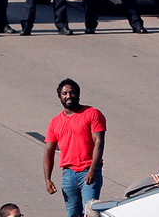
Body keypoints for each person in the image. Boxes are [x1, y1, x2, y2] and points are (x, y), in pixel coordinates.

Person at [43, 78, 106, 217]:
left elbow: (99, 143)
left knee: (90, 213)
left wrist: (93, 169)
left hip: (88, 171)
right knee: (72, 214)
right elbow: (49, 151)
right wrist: (48, 179)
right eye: (64, 93)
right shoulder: (55, 122)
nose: (68, 96)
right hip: (68, 174)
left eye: (72, 92)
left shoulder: (92, 113)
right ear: (59, 96)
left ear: (78, 94)